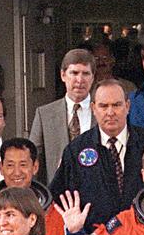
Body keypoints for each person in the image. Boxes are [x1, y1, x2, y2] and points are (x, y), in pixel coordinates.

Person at [49, 80, 144, 233]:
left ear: (127, 106)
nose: (110, 112)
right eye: (103, 106)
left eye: (116, 105)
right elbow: (57, 198)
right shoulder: (76, 150)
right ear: (93, 108)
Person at [29, 48, 96, 183]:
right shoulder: (45, 114)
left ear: (93, 77)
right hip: (57, 190)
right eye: (74, 73)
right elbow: (32, 158)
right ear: (63, 75)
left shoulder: (103, 111)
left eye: (85, 73)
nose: (80, 80)